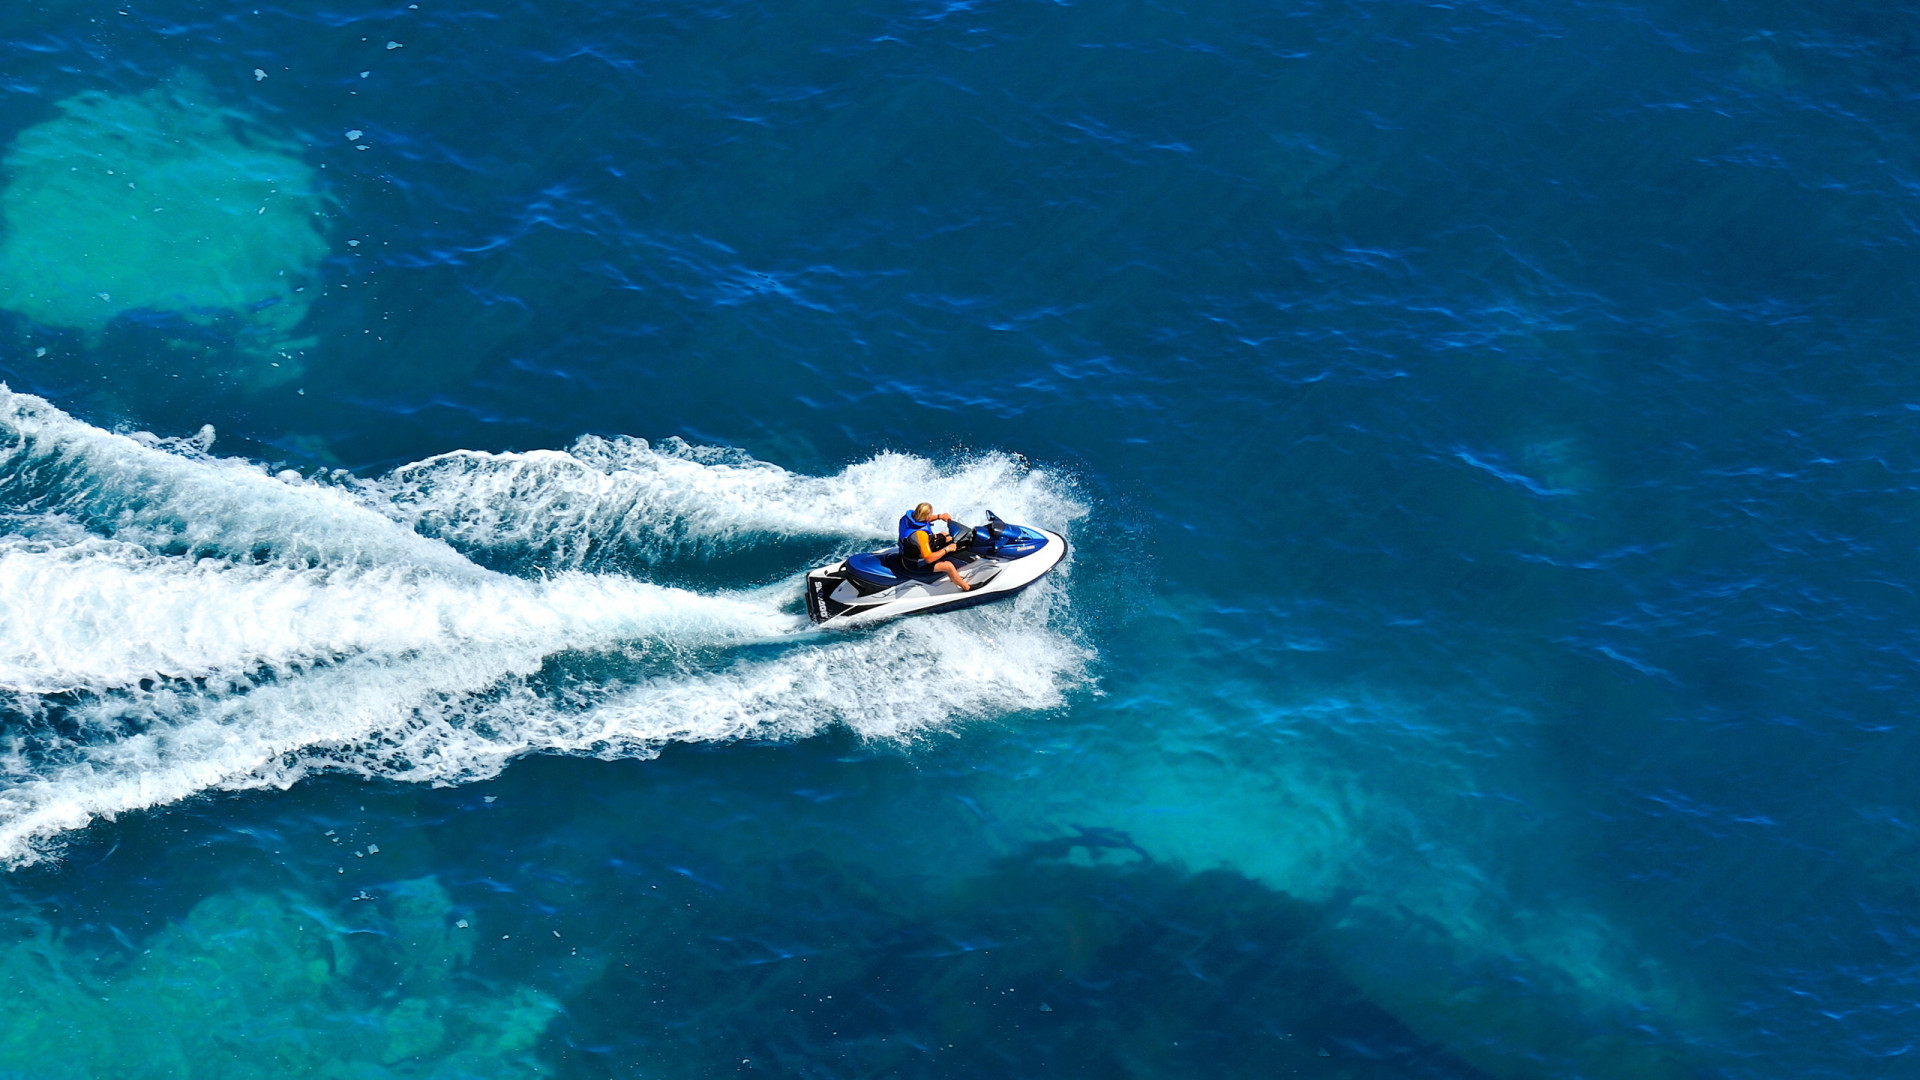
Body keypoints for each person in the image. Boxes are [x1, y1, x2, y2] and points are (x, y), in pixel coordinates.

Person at [898, 502, 970, 590]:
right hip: (915, 563)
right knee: (948, 566)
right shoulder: (921, 535)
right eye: (930, 514)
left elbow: (924, 519)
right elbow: (928, 558)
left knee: (945, 536)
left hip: (912, 549)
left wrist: (940, 516)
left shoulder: (908, 518)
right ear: (926, 516)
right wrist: (947, 549)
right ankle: (966, 587)